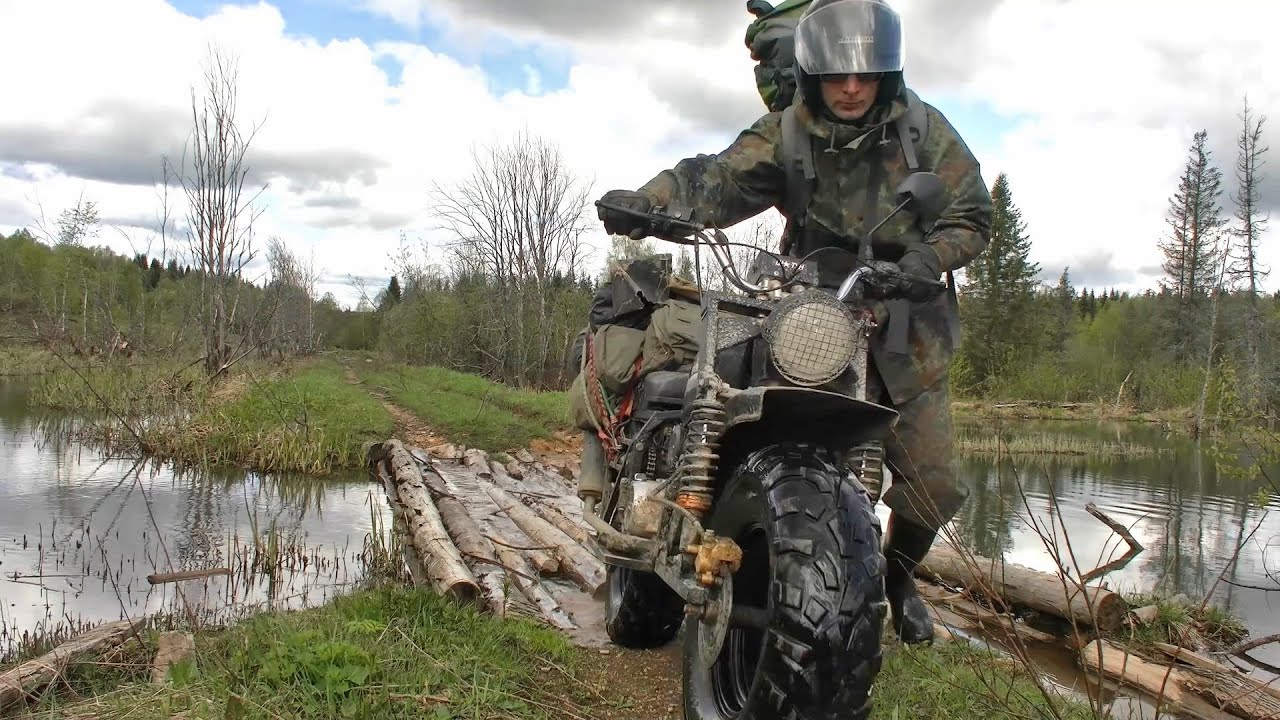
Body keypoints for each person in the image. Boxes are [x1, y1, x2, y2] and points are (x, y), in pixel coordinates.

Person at [595, 0, 992, 644]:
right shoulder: (789, 129)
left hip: (906, 323)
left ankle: (895, 575)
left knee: (935, 484)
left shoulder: (925, 130)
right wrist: (652, 201)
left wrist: (923, 261)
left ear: (886, 74)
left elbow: (971, 215)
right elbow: (718, 178)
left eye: (865, 74)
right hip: (814, 308)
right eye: (838, 75)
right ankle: (750, 549)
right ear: (813, 76)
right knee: (764, 426)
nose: (852, 87)